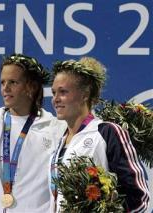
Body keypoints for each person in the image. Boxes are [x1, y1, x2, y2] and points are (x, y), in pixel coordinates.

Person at [49, 57, 150, 212]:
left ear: (85, 94)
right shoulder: (60, 140)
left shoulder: (106, 132)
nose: (55, 99)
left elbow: (139, 197)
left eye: (63, 92)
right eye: (54, 92)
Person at [0, 53, 66, 212]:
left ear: (31, 87)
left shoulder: (56, 129)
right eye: (2, 82)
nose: (5, 88)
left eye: (13, 82)